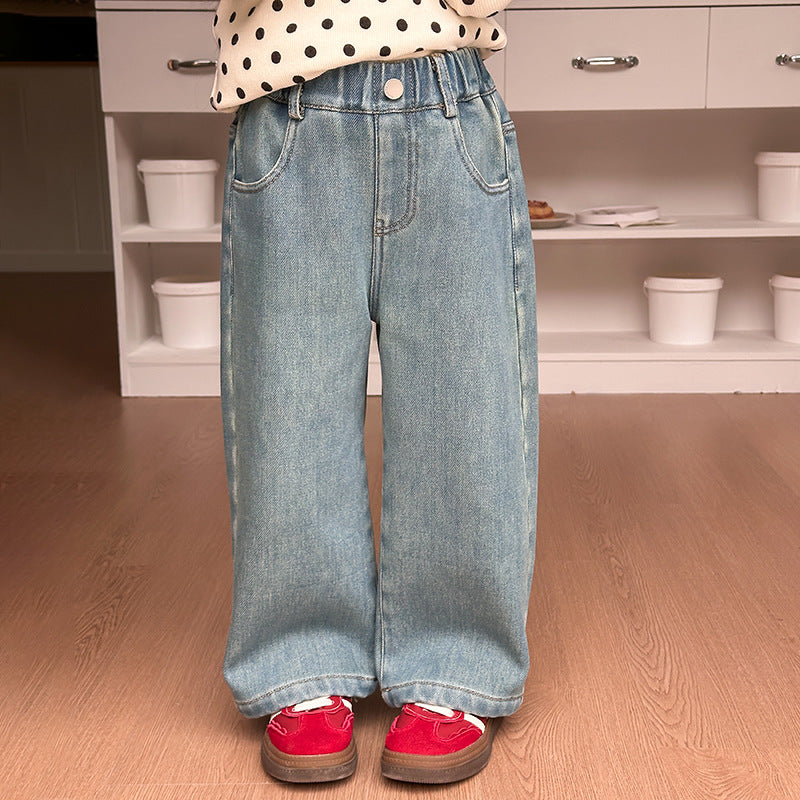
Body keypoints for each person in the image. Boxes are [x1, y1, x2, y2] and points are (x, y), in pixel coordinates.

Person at [210, 0, 539, 785]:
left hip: (448, 105)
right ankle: (302, 657)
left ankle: (455, 659)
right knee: (288, 404)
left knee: (467, 406)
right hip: (288, 109)